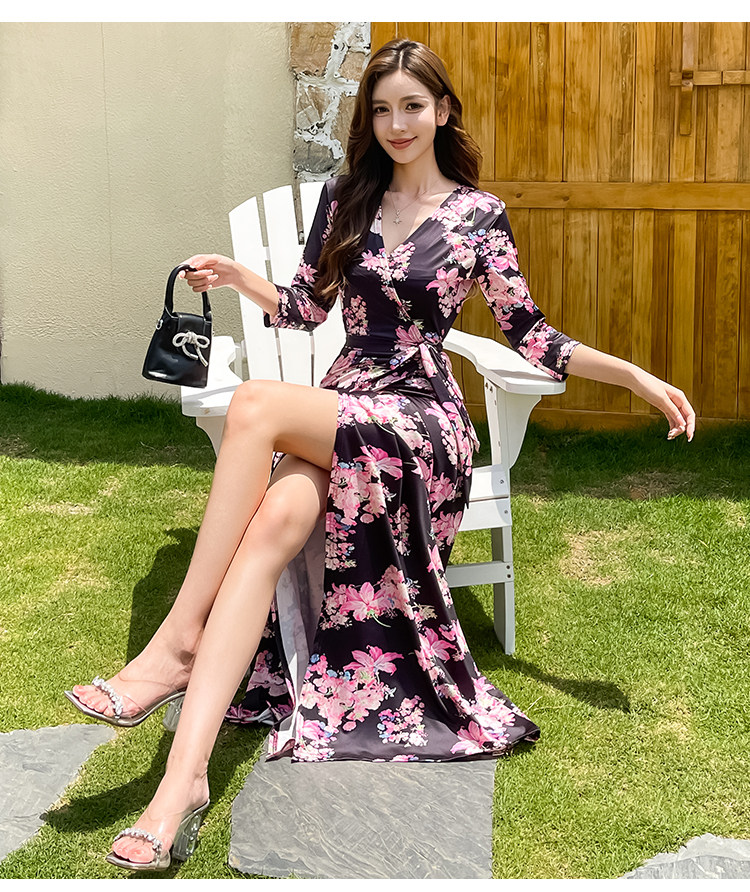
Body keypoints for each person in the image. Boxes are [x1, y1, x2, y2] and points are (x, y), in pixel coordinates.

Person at [65, 38, 695, 871]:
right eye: (383, 108)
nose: (398, 123)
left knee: (254, 404)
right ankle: (180, 787)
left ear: (443, 112)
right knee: (273, 524)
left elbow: (532, 335)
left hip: (421, 421)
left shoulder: (478, 215)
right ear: (368, 117)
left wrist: (636, 376)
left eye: (413, 106)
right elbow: (303, 308)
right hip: (345, 403)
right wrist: (241, 277)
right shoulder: (347, 197)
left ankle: (180, 642)